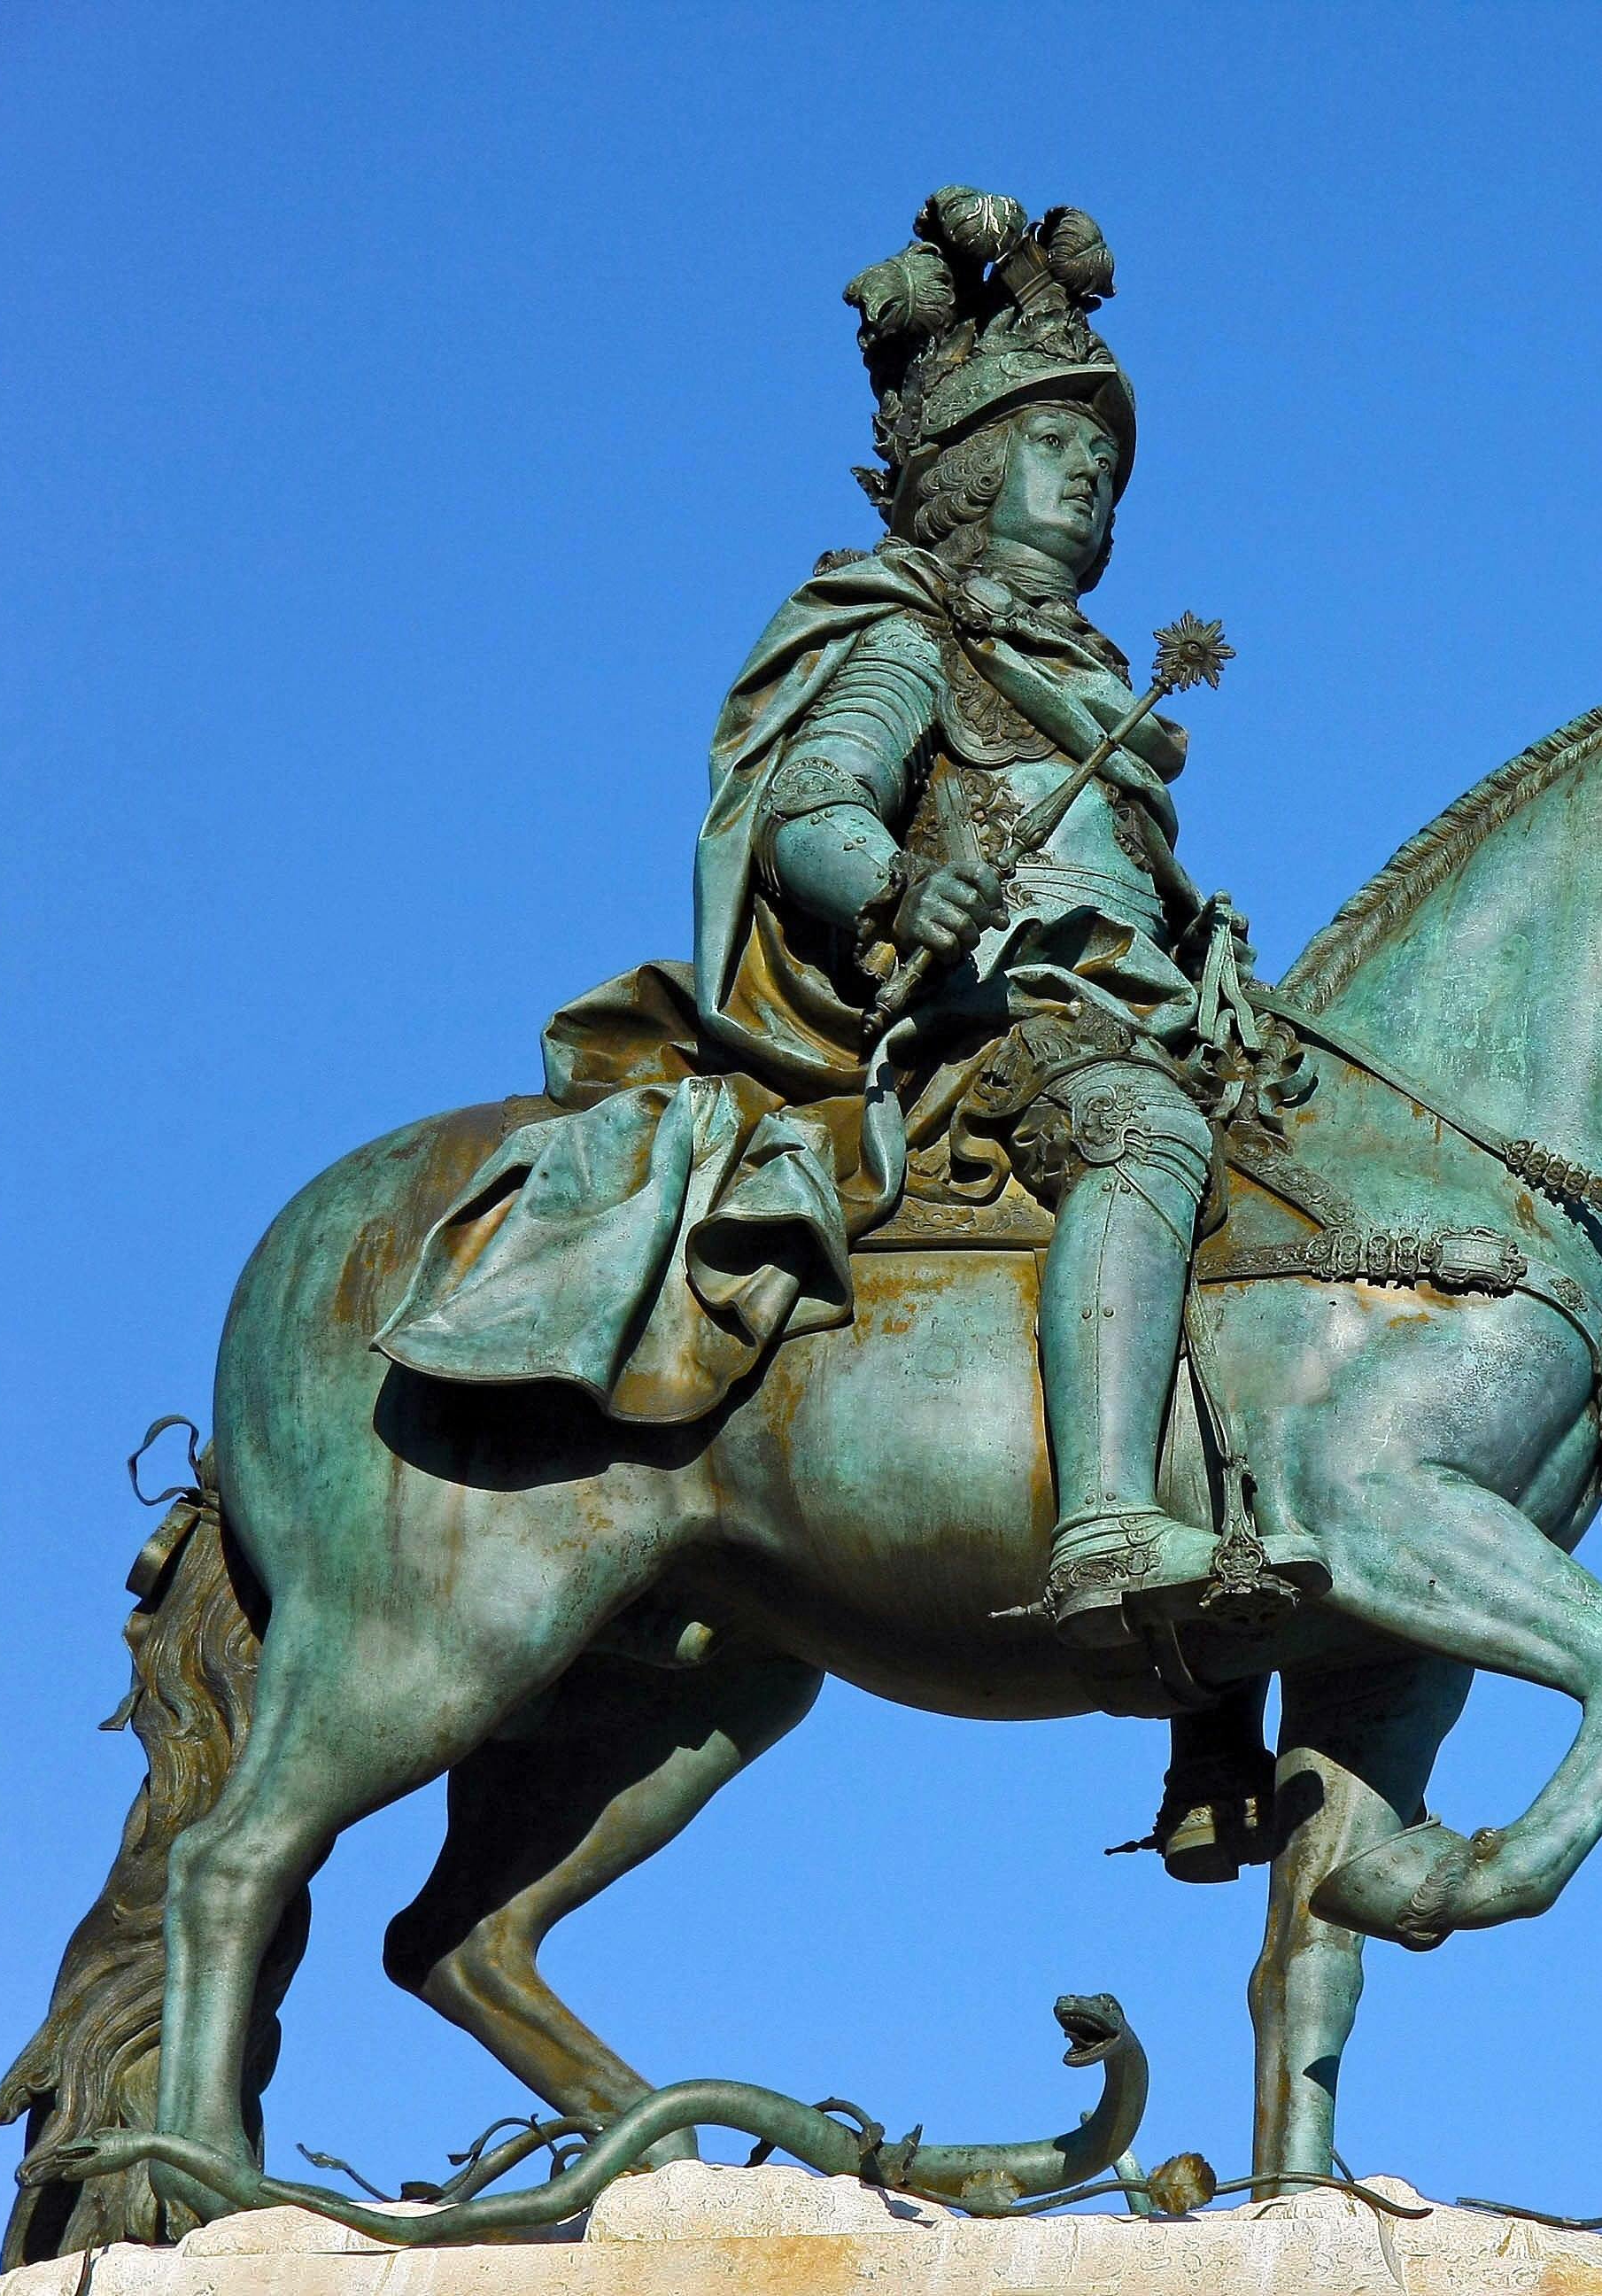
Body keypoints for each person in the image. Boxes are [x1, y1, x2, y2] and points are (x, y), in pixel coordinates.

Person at [377, 186, 1318, 1656]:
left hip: (1140, 1020)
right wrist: (893, 884)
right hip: (994, 1024)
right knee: (1142, 1136)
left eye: (1105, 466)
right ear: (970, 471)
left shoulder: (1102, 690)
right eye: (1058, 449)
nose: (1090, 483)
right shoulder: (905, 635)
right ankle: (1107, 1526)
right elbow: (809, 804)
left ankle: (1229, 1696)